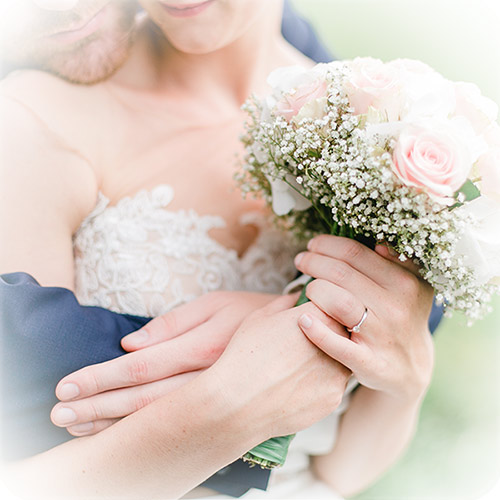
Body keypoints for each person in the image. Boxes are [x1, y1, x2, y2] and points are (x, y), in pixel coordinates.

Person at [0, 0, 437, 498]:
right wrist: (259, 363)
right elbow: (24, 435)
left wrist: (408, 378)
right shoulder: (36, 119)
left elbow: (343, 472)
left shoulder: (372, 125)